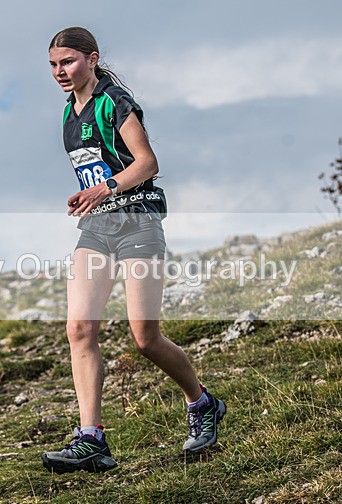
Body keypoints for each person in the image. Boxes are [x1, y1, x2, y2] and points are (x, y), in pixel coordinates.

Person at [41, 27, 226, 474]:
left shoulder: (114, 101)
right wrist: (87, 195)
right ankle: (92, 439)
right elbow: (98, 169)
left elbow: (147, 163)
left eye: (67, 62)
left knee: (145, 338)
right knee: (80, 328)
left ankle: (202, 403)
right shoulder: (69, 113)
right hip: (97, 229)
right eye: (53, 65)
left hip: (139, 222)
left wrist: (103, 188)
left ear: (92, 58)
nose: (60, 72)